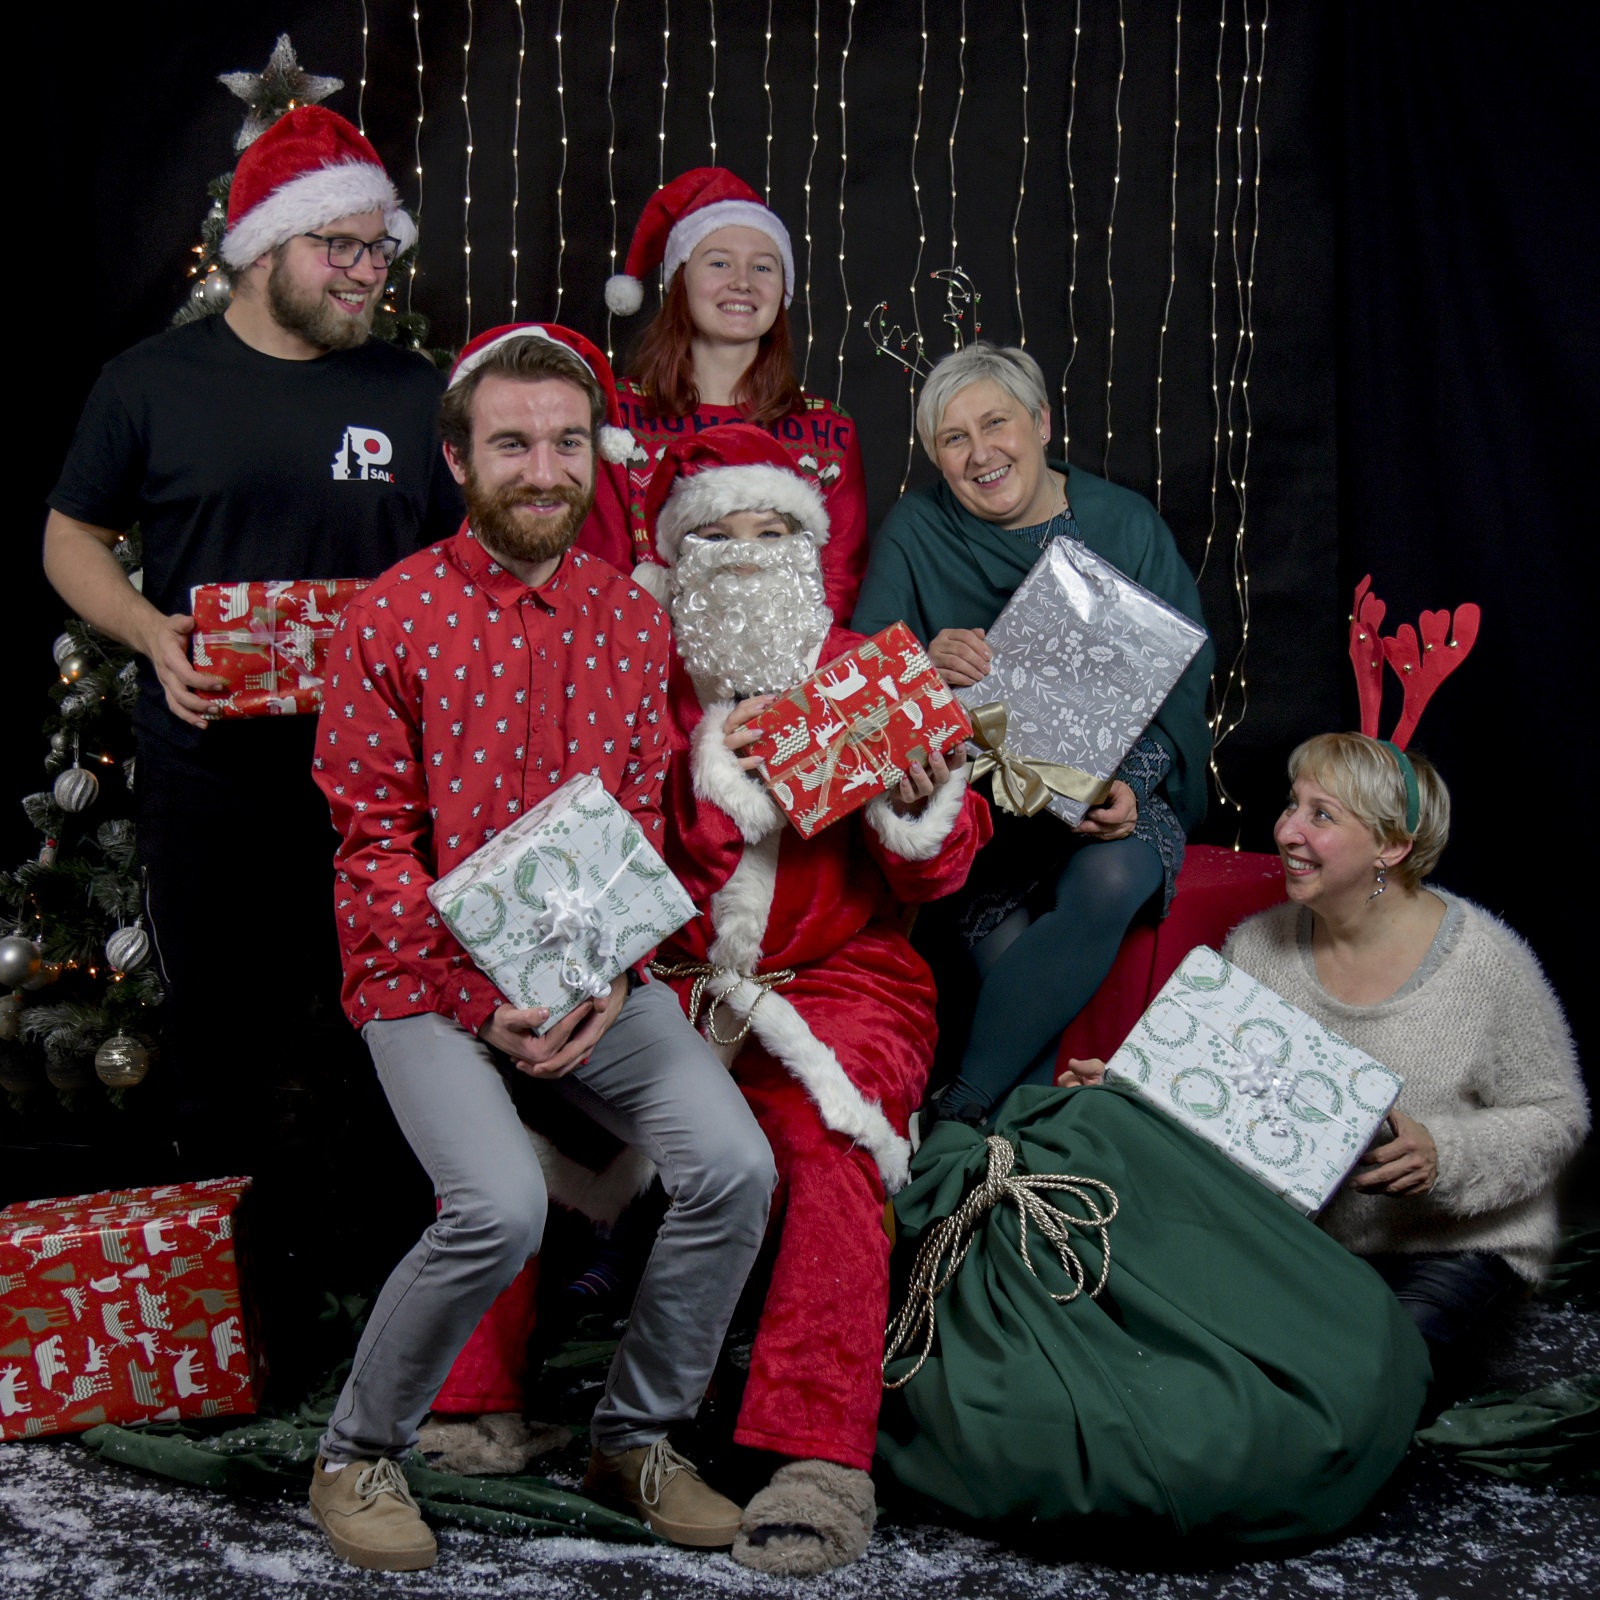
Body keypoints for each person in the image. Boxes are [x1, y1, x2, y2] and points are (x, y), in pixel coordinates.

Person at [305, 326, 775, 1572]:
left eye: (567, 443)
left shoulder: (629, 620)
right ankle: (355, 1452)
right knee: (501, 1206)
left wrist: (611, 972)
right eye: (512, 443)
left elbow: (635, 827)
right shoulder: (390, 617)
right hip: (424, 982)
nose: (544, 469)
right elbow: (371, 852)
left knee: (733, 1163)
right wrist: (476, 999)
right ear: (459, 458)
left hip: (586, 975)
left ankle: (634, 1439)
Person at [41, 105, 462, 1285]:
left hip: (379, 787)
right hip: (209, 780)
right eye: (341, 246)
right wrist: (145, 631)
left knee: (391, 1033)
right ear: (262, 247)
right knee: (221, 1046)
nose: (368, 271)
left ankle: (397, 1288)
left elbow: (460, 564)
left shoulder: (412, 392)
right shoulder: (150, 383)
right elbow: (71, 534)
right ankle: (235, 1304)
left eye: (380, 248)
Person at [643, 425, 991, 1573]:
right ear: (676, 557)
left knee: (829, 1139)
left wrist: (920, 803)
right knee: (534, 1098)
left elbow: (941, 874)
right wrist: (715, 782)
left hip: (842, 978)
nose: (747, 553)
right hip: (673, 977)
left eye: (772, 530)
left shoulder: (863, 669)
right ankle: (470, 1405)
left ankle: (816, 1458)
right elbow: (614, 865)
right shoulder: (636, 674)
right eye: (718, 535)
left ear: (808, 550)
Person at [1062, 733, 1590, 1383]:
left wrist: (1445, 1153)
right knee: (1193, 1363)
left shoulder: (1483, 965)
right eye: (1293, 805)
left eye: (1322, 816)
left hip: (1450, 1245)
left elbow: (1557, 1115)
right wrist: (1134, 1090)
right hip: (1304, 1245)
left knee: (1355, 1390)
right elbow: (1225, 1103)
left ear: (1391, 847)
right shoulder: (1259, 946)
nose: (1286, 831)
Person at [852, 342, 1213, 1127]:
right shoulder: (917, 529)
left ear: (1042, 423)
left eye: (996, 424)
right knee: (995, 931)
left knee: (1111, 877)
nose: (980, 453)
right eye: (954, 438)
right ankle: (1007, 1134)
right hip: (986, 803)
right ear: (935, 456)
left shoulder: (1124, 522)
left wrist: (1132, 784)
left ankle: (959, 1110)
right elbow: (863, 672)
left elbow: (1185, 672)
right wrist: (923, 663)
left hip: (1116, 778)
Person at [597, 167, 868, 618]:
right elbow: (602, 578)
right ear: (681, 280)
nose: (743, 281)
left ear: (782, 289)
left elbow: (837, 591)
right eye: (719, 263)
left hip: (795, 659)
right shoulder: (618, 416)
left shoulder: (828, 431)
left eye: (763, 267)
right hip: (645, 656)